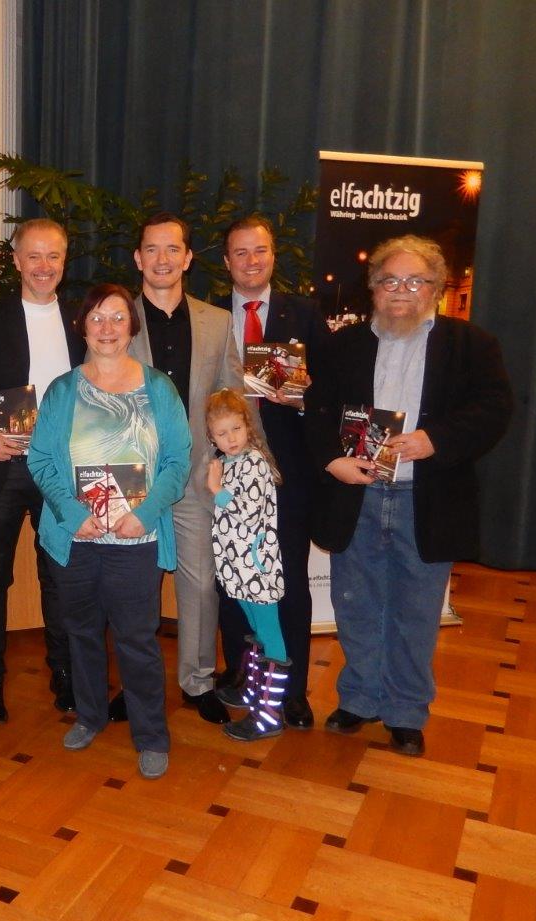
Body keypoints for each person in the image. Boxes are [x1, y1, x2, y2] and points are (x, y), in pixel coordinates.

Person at [305, 235, 513, 756]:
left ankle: (405, 712)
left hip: (428, 497)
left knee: (417, 612)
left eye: (415, 281)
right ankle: (358, 700)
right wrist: (333, 460)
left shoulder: (472, 345)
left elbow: (493, 410)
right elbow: (316, 410)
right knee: (356, 606)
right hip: (359, 494)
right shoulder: (340, 345)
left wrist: (433, 439)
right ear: (373, 288)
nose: (402, 291)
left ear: (436, 289)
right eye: (390, 280)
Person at [28, 283, 192, 780]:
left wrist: (146, 513)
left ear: (131, 326)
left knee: (137, 639)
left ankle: (150, 735)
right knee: (80, 632)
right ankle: (91, 715)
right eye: (97, 317)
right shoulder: (62, 389)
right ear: (83, 326)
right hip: (76, 539)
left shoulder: (158, 388)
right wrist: (74, 515)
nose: (106, 328)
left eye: (117, 318)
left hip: (135, 539)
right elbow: (40, 460)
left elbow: (178, 462)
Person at [127, 212, 248, 725]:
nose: (162, 259)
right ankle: (135, 686)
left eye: (172, 249)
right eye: (152, 249)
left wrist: (228, 462)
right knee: (136, 586)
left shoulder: (218, 321)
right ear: (138, 258)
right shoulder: (117, 319)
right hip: (133, 480)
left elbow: (232, 399)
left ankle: (198, 682)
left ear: (188, 258)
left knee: (200, 586)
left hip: (199, 474)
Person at [0, 218, 85, 723]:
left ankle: (64, 672)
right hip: (4, 465)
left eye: (53, 256)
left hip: (61, 469)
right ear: (16, 261)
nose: (43, 266)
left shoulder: (84, 321)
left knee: (59, 573)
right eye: (33, 256)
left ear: (64, 261)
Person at [215, 215, 328, 729]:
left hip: (290, 475)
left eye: (260, 250)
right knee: (235, 577)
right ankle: (242, 680)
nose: (251, 261)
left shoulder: (304, 313)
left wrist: (302, 400)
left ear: (274, 255)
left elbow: (332, 390)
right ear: (226, 262)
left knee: (289, 582)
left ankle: (294, 691)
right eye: (241, 252)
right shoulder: (211, 318)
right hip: (229, 476)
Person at [205, 388, 289, 741]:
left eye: (235, 429)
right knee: (256, 630)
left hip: (257, 569)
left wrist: (216, 489)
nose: (231, 439)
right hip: (238, 570)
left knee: (270, 634)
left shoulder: (253, 462)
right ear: (212, 436)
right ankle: (253, 693)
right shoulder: (227, 462)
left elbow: (247, 512)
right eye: (221, 434)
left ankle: (269, 715)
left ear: (247, 426)